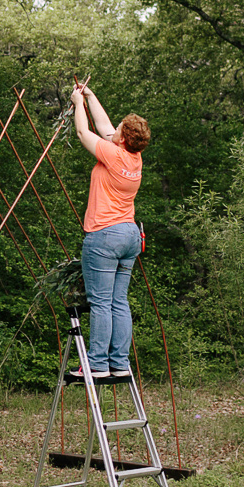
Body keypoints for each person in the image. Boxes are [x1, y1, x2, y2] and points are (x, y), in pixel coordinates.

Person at [69, 81, 151, 378]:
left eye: (119, 128)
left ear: (123, 138)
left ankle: (97, 364)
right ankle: (119, 362)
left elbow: (83, 132)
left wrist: (78, 104)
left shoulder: (114, 155)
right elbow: (104, 127)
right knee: (118, 301)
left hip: (105, 235)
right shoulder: (133, 156)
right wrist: (90, 96)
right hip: (129, 236)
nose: (113, 128)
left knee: (100, 302)